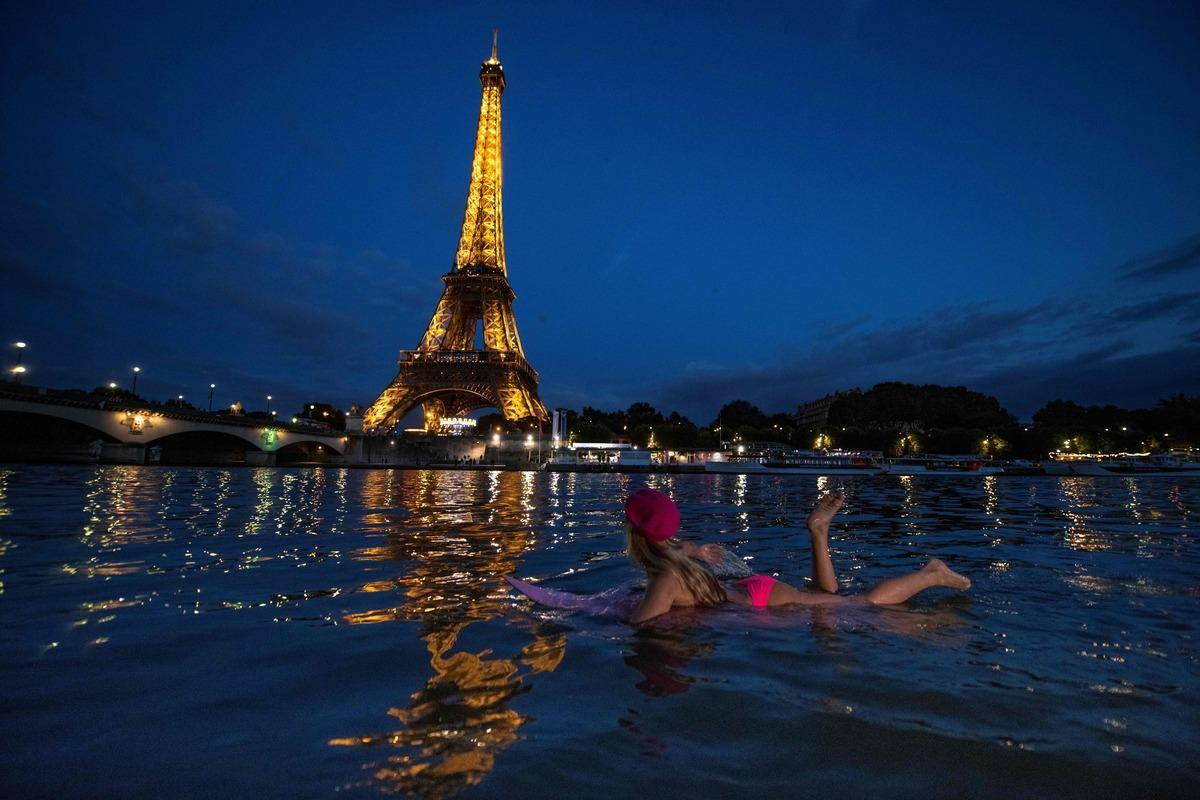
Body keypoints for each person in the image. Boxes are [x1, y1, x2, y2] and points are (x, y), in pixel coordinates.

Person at [625, 487, 971, 625]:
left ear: (635, 534)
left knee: (860, 604)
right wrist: (698, 550)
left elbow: (640, 623)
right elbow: (683, 548)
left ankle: (930, 574)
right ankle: (819, 531)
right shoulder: (673, 554)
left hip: (760, 600)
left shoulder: (665, 577)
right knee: (825, 597)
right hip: (750, 590)